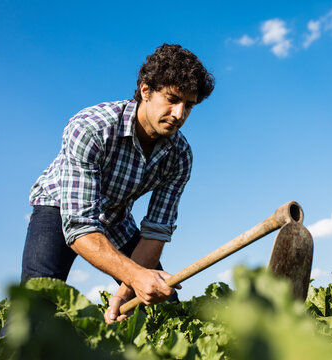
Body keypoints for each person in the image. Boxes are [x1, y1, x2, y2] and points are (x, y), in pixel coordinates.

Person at [21, 43, 215, 324]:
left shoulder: (179, 155)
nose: (179, 114)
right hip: (61, 209)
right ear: (145, 90)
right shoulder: (91, 128)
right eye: (172, 99)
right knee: (33, 313)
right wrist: (135, 275)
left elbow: (155, 231)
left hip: (116, 218)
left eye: (189, 106)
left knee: (164, 304)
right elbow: (81, 225)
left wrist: (123, 296)